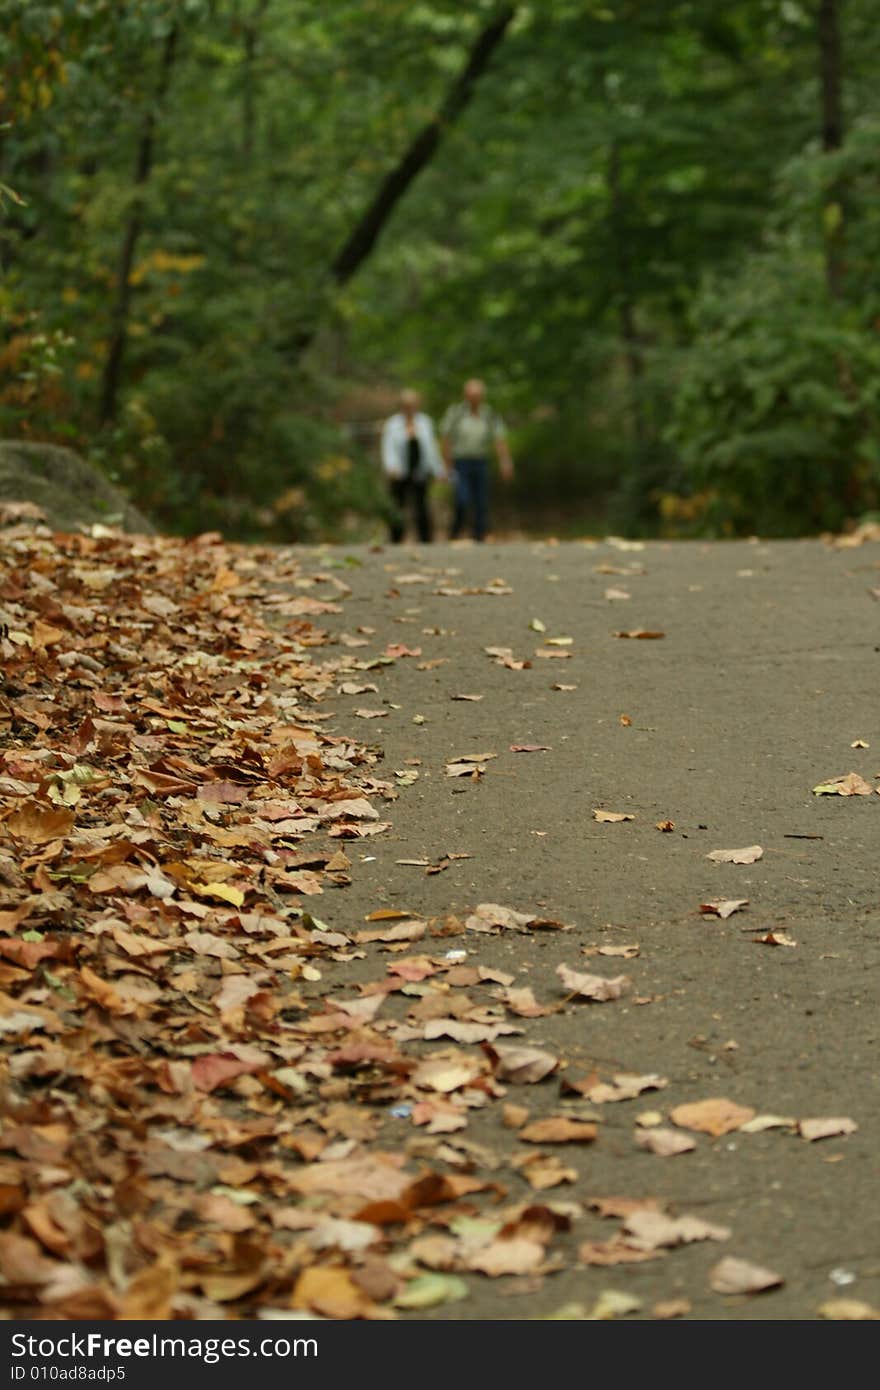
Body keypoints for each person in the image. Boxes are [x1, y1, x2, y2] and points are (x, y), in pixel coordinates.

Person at [440, 378, 513, 542]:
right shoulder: (456, 413)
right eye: (471, 395)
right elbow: (446, 439)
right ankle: (455, 532)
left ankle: (479, 536)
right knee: (462, 499)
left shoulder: (489, 414)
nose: (474, 398)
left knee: (481, 501)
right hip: (460, 462)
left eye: (478, 395)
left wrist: (505, 462)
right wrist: (446, 465)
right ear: (465, 396)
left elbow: (499, 439)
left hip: (481, 461)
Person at [380, 389, 445, 543]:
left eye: (413, 404)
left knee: (422, 506)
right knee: (398, 506)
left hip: (419, 471)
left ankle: (426, 540)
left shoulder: (425, 422)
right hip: (399, 472)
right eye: (407, 405)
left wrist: (439, 469)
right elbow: (388, 447)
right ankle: (396, 539)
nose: (410, 408)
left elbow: (431, 448)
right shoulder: (393, 424)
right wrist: (391, 467)